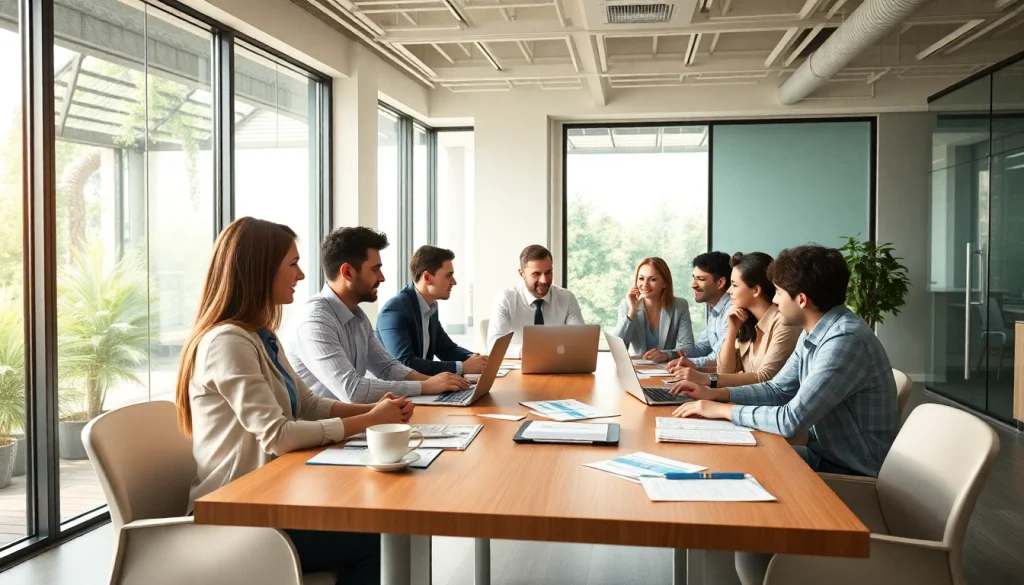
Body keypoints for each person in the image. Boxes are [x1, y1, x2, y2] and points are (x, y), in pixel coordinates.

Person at [177, 217, 414, 584]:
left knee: (380, 524)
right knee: (377, 540)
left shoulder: (260, 336)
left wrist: (378, 411)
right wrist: (369, 420)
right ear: (260, 270)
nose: (302, 275)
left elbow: (306, 405)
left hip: (269, 498)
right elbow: (279, 436)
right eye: (292, 264)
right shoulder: (228, 342)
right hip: (236, 517)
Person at [669, 244, 899, 478]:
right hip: (824, 456)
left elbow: (790, 420)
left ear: (801, 300)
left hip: (852, 471)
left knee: (732, 467)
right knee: (726, 459)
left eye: (778, 292)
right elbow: (777, 389)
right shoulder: (815, 331)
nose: (775, 301)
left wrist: (721, 410)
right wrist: (714, 394)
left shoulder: (844, 340)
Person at [283, 227, 470, 403]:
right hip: (325, 432)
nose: (382, 277)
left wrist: (439, 383)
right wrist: (425, 386)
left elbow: (388, 367)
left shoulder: (357, 315)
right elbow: (353, 391)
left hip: (351, 423)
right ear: (347, 272)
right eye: (375, 269)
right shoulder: (315, 321)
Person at [671, 252, 799, 388]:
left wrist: (704, 378)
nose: (729, 291)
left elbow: (765, 377)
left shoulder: (784, 322)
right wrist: (732, 331)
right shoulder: (745, 320)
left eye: (734, 285)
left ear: (756, 290)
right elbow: (725, 371)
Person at [375, 245, 488, 376]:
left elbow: (446, 349)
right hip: (396, 393)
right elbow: (405, 363)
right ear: (427, 277)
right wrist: (462, 367)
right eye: (448, 276)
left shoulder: (430, 307)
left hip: (422, 388)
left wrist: (477, 358)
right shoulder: (395, 310)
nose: (454, 282)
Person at [487, 244, 585, 350]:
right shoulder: (505, 299)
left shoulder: (567, 298)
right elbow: (494, 345)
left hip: (557, 363)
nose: (544, 280)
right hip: (519, 363)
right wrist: (530, 351)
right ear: (522, 273)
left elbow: (579, 340)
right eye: (536, 274)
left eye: (548, 272)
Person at [644, 252, 732, 367]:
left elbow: (719, 358)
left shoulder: (731, 311)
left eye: (700, 279)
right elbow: (703, 348)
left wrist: (685, 362)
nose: (693, 285)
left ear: (720, 282)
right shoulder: (715, 310)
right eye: (694, 278)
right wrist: (667, 355)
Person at [611, 257, 694, 356]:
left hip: (667, 369)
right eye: (641, 278)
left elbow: (688, 347)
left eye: (652, 279)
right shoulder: (626, 306)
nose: (645, 285)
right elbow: (617, 348)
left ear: (665, 283)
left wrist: (666, 355)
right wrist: (632, 312)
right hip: (636, 368)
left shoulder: (679, 306)